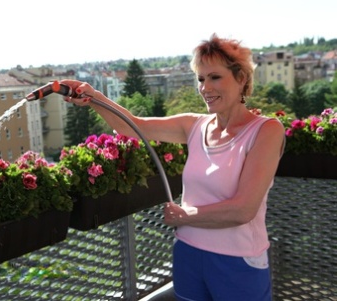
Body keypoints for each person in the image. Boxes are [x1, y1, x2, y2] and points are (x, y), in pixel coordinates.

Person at [61, 33, 284, 301]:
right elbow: (132, 126)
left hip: (237, 260)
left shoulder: (266, 131)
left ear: (241, 78)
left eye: (215, 77)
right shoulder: (195, 125)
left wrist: (183, 216)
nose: (205, 88)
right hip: (188, 252)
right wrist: (93, 96)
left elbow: (243, 209)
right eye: (201, 79)